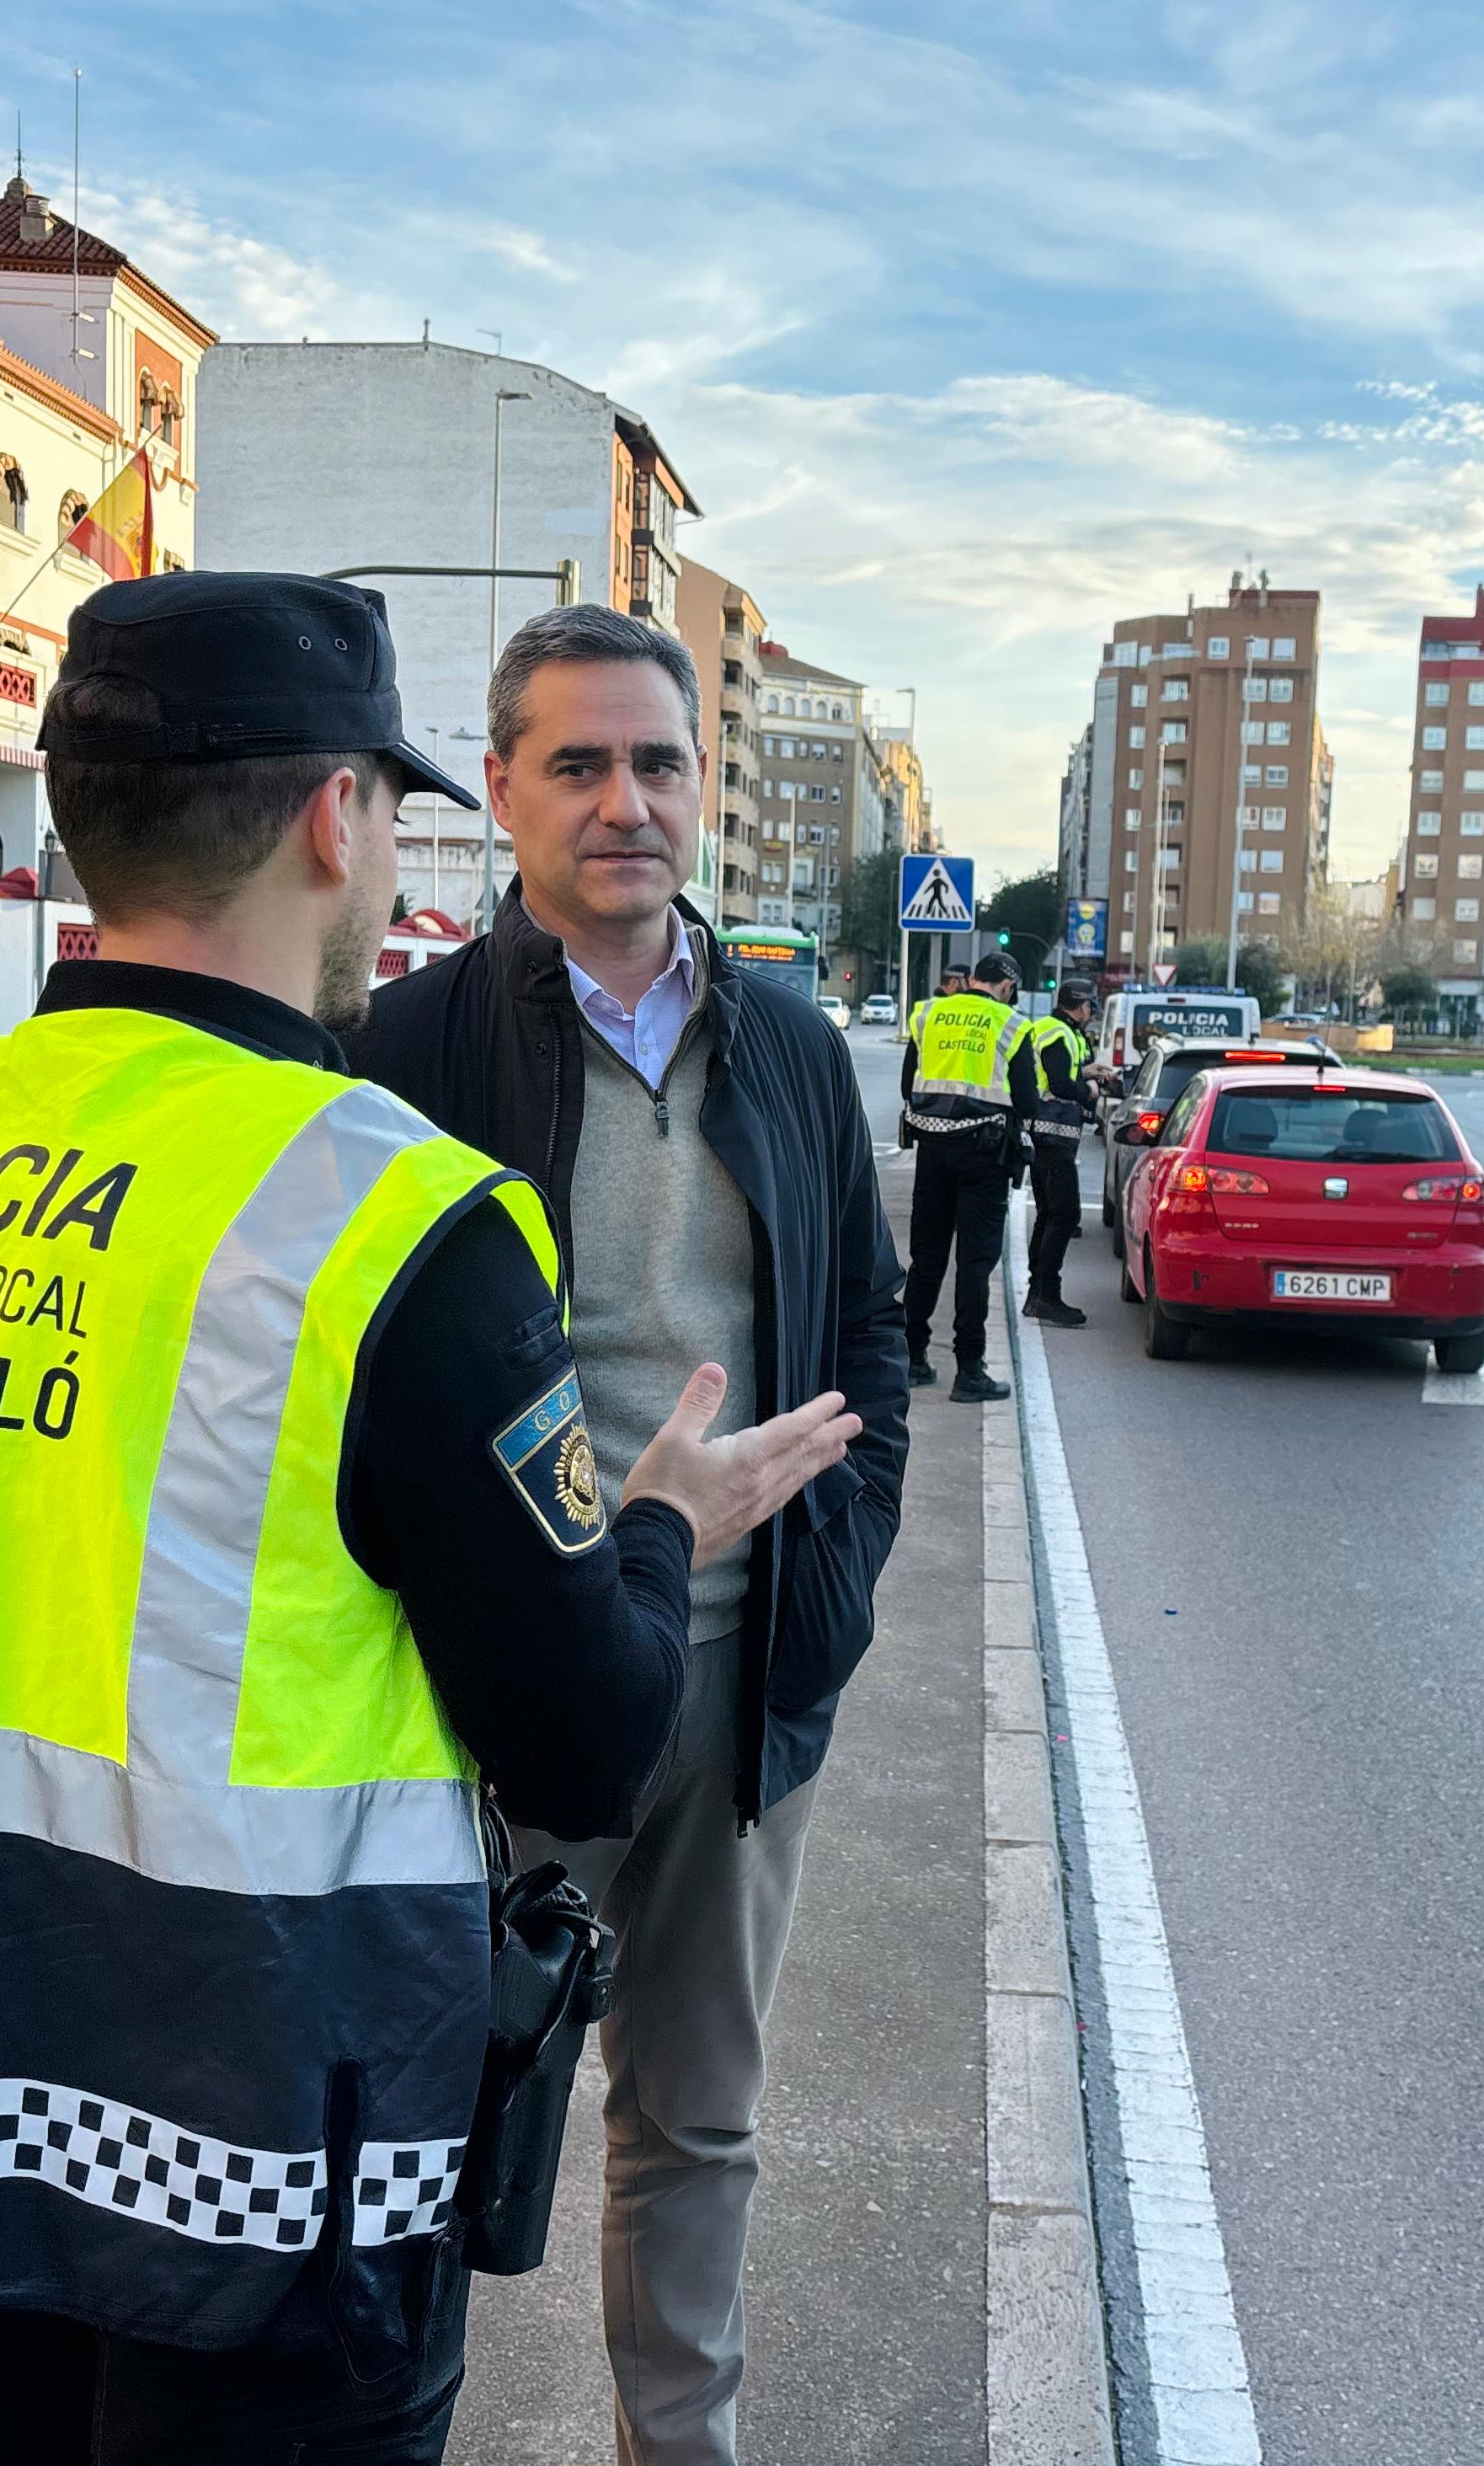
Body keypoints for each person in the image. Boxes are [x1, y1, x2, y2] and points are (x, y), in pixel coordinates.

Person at [0, 573, 858, 2466]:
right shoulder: (392, 1220)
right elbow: (589, 1723)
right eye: (395, 809)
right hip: (260, 2107)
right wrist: (657, 1522)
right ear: (339, 817)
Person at [349, 602, 910, 2466]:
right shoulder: (410, 1049)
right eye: (577, 764)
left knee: (697, 2123)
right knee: (428, 2112)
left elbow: (871, 1342)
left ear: (704, 791)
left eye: (657, 762)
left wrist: (828, 1596)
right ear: (498, 789)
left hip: (738, 1691)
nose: (624, 802)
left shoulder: (795, 1052)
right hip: (496, 1697)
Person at [902, 949, 1029, 1400]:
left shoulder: (929, 1012)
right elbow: (1028, 1101)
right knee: (974, 1266)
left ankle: (912, 1360)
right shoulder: (1011, 1024)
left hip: (933, 1149)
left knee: (927, 1260)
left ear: (974, 978)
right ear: (1007, 986)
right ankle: (969, 1372)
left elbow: (907, 1085)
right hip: (985, 1156)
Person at [1021, 978, 1100, 1327]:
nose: (1092, 1012)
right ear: (1080, 1005)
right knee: (1065, 1214)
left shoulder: (1053, 1028)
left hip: (1045, 1133)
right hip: (1052, 1135)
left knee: (1048, 1213)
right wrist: (1090, 1090)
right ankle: (1046, 1296)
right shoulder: (1058, 1033)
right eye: (1091, 1006)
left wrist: (1087, 1071)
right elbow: (1059, 1084)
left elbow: (1056, 1072)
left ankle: (1036, 1292)